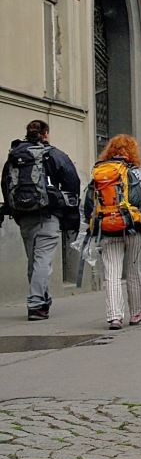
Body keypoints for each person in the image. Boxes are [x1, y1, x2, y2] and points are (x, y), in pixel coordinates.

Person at [1, 119, 80, 320]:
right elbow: (72, 181)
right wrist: (71, 216)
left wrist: (15, 210)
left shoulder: (15, 156)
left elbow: (5, 183)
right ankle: (36, 304)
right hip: (48, 214)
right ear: (46, 134)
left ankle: (42, 299)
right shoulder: (53, 154)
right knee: (42, 259)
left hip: (24, 214)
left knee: (34, 260)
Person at [83, 134, 141, 330]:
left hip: (107, 228)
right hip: (134, 228)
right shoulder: (139, 174)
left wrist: (93, 224)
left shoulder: (99, 173)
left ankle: (114, 317)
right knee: (133, 270)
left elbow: (87, 205)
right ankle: (136, 312)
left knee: (111, 273)